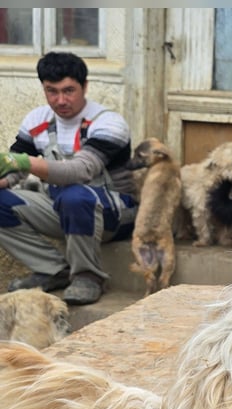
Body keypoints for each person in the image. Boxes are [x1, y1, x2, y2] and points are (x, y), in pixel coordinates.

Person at [0, 51, 137, 305]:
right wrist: (6, 178)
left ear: (85, 86)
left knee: (74, 194)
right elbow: (15, 168)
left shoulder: (108, 123)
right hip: (61, 208)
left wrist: (24, 162)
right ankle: (54, 270)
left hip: (114, 215)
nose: (61, 100)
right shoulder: (36, 120)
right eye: (52, 91)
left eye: (69, 91)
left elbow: (80, 171)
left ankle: (88, 276)